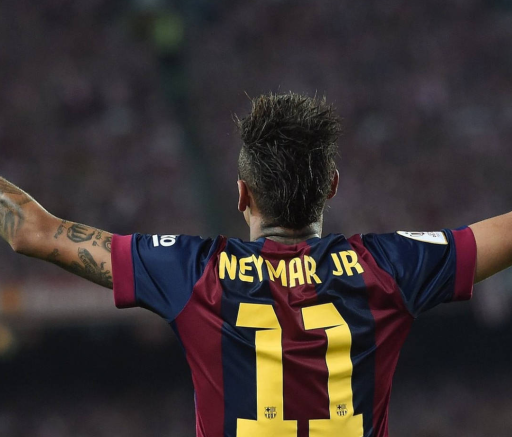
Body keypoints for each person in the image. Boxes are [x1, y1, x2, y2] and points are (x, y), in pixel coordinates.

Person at [0, 93, 510, 437]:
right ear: (331, 187)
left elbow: (32, 232)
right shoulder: (388, 266)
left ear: (242, 193)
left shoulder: (193, 272)